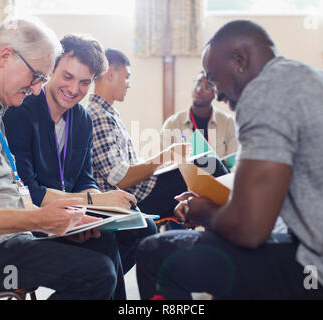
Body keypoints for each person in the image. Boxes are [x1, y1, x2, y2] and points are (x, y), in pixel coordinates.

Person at [136, 20, 323, 300]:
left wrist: (202, 211)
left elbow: (250, 229)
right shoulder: (315, 82)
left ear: (240, 60)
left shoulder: (265, 91)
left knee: (156, 254)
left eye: (215, 79)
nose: (217, 95)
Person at [0, 18, 121, 300]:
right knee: (96, 274)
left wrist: (45, 222)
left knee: (102, 247)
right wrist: (37, 220)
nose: (36, 89)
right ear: (6, 56)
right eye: (36, 76)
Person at [3, 34, 157, 279]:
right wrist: (93, 201)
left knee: (141, 228)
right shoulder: (22, 111)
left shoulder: (83, 119)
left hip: (71, 212)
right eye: (67, 77)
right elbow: (29, 192)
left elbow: (85, 179)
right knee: (103, 250)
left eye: (85, 82)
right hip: (35, 219)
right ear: (52, 69)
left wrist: (102, 201)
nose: (74, 90)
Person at [87, 49, 228, 221]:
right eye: (126, 77)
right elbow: (120, 179)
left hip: (141, 191)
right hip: (136, 198)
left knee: (206, 174)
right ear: (110, 74)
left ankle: (229, 219)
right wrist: (166, 155)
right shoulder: (99, 116)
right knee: (208, 163)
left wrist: (164, 161)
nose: (128, 84)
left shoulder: (107, 114)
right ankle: (240, 215)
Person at [161, 71, 238, 161]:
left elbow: (233, 165)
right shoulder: (172, 124)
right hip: (183, 174)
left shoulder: (229, 123)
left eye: (207, 87)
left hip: (219, 175)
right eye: (197, 83)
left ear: (216, 93)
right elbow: (161, 164)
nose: (199, 90)